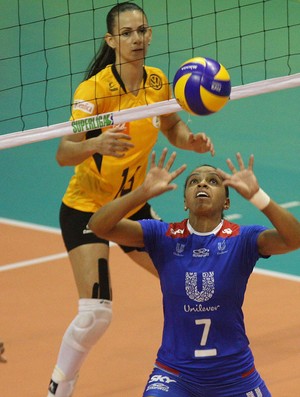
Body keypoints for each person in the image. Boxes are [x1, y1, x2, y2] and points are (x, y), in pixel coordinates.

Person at [47, 2, 215, 396]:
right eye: (126, 33)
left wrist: (188, 140)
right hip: (88, 209)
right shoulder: (93, 94)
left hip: (132, 206)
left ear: (150, 34)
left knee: (187, 280)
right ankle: (60, 386)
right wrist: (97, 143)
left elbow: (171, 125)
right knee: (95, 315)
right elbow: (63, 152)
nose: (136, 39)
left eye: (141, 31)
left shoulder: (158, 82)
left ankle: (189, 364)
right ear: (111, 40)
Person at [88, 149, 300, 397]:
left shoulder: (242, 239)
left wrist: (258, 197)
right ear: (186, 201)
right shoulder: (162, 236)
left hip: (234, 375)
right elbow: (99, 226)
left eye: (213, 181)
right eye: (194, 181)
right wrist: (141, 194)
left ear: (227, 202)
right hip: (175, 374)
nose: (202, 183)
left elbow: (294, 239)